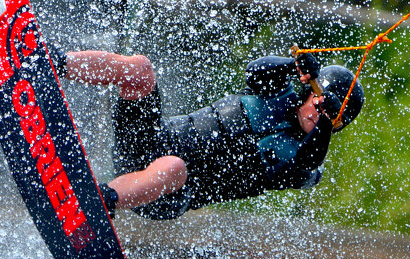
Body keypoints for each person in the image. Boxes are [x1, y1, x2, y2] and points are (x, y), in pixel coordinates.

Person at [50, 45, 365, 220]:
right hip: (149, 141)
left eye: (331, 116)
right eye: (318, 102)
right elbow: (255, 69)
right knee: (140, 69)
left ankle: (95, 202)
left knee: (173, 167)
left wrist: (323, 122)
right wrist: (292, 65)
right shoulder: (275, 92)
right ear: (309, 91)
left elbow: (304, 165)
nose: (319, 112)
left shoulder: (305, 163)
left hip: (167, 192)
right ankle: (49, 62)